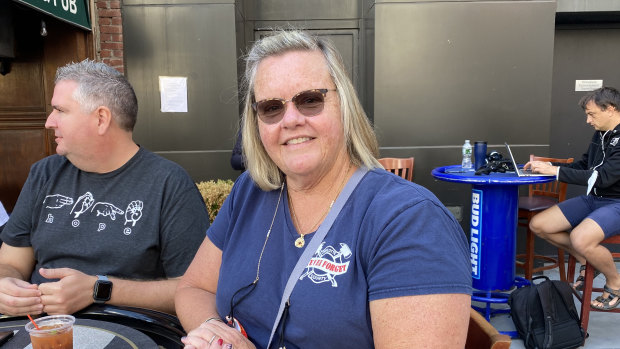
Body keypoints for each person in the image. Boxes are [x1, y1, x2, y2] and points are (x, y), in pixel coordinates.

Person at [175, 30, 472, 349]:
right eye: (271, 107)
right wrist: (214, 334)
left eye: (310, 100)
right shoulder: (250, 191)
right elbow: (193, 288)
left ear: (344, 105)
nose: (290, 119)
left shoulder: (410, 222)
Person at [0, 59, 209, 316]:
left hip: (130, 332)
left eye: (60, 111)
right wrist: (5, 285)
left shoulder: (169, 184)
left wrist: (99, 290)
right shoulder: (44, 174)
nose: (49, 122)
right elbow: (10, 262)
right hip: (42, 329)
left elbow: (197, 291)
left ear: (101, 118)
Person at [526, 86, 620, 311]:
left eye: (592, 114)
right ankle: (588, 260)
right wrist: (551, 166)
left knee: (580, 237)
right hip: (594, 199)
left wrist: (555, 173)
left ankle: (615, 282)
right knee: (539, 225)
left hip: (616, 203)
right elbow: (584, 165)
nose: (588, 120)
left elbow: (603, 177)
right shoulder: (601, 134)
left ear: (611, 109)